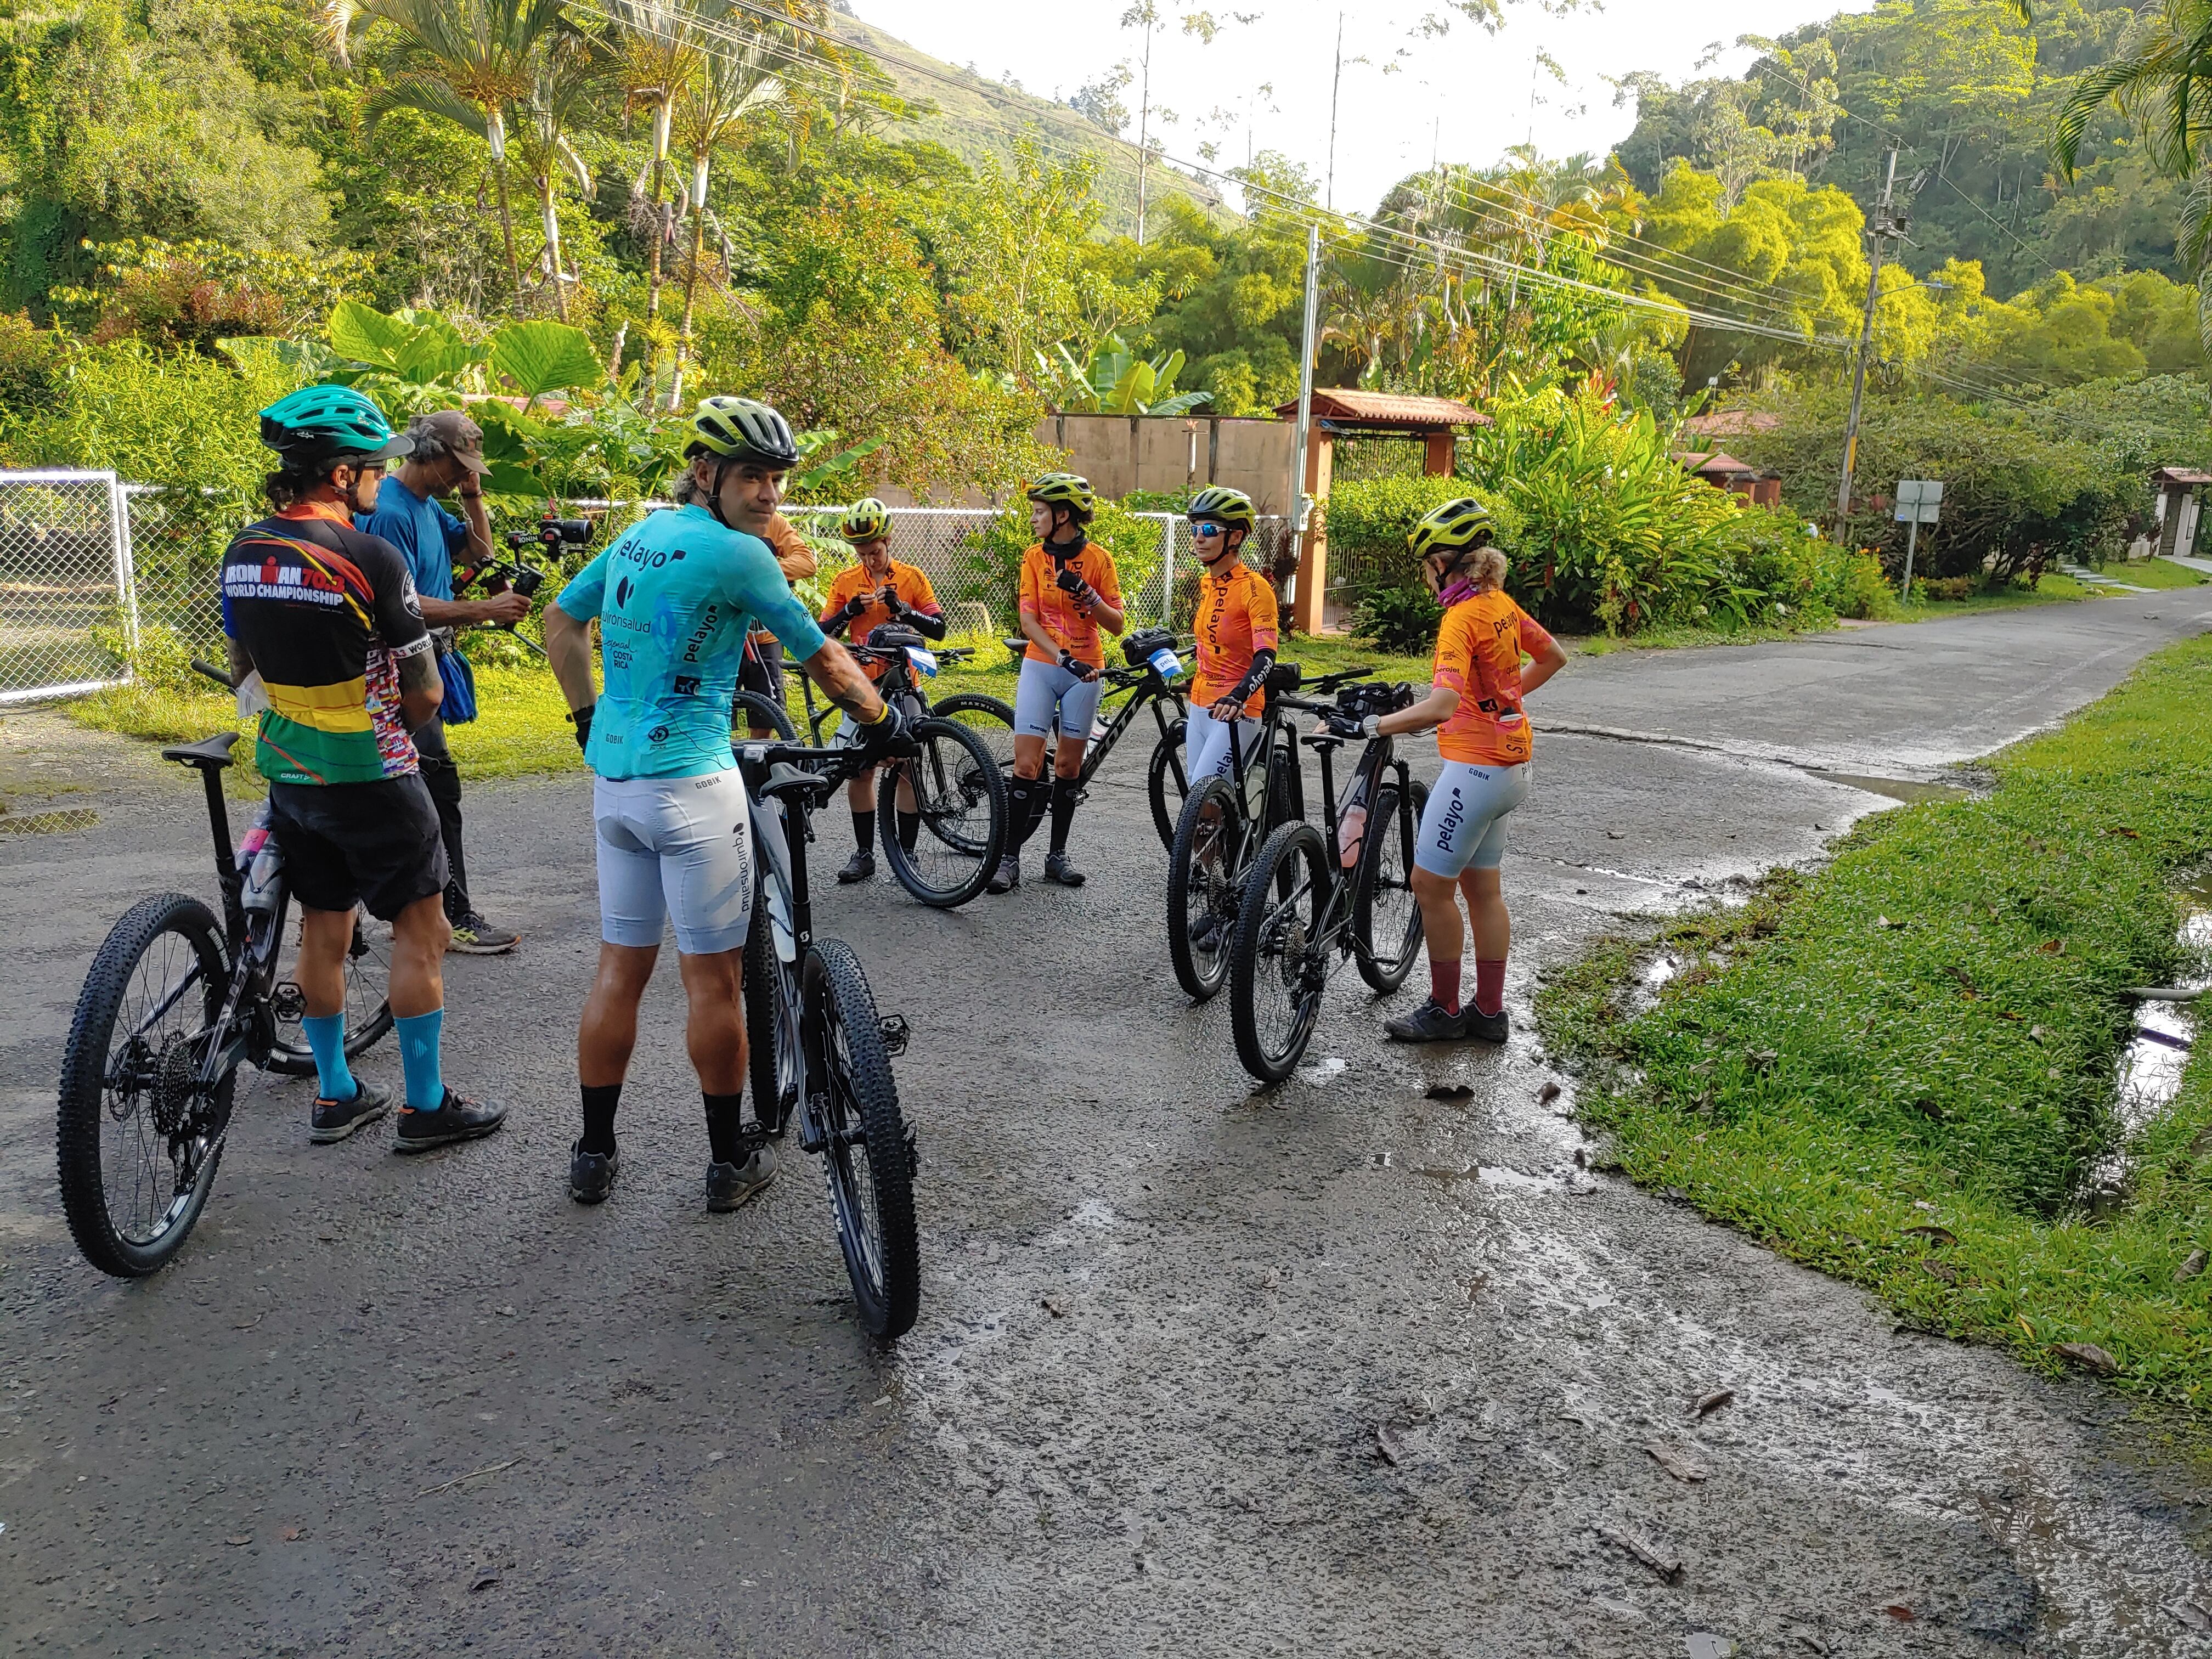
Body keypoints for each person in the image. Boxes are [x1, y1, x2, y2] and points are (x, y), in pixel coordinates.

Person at [543, 396, 907, 1211]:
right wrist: (885, 725)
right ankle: (727, 1162)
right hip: (693, 787)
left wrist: (586, 716)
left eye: (776, 479)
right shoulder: (742, 557)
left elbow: (559, 623)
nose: (769, 495)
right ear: (706, 474)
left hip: (616, 788)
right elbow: (826, 662)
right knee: (713, 985)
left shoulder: (635, 537)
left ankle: (593, 1153)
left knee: (618, 973)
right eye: (753, 477)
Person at [221, 386, 507, 1150]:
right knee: (424, 931)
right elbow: (425, 692)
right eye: (374, 465)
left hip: (290, 772)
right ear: (340, 475)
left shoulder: (244, 550)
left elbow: (243, 663)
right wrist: (389, 727)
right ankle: (425, 1106)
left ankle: (337, 1094)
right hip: (375, 774)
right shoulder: (371, 556)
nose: (385, 474)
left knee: (322, 929)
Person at [1360, 498, 1567, 1044]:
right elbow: (1552, 657)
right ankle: (1489, 1013)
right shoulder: (1497, 602)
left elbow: (1442, 705)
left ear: (1445, 563)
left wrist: (1376, 726)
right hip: (1514, 766)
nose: (1426, 575)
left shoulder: (1459, 619)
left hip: (1476, 772)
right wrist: (1503, 698)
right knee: (1482, 890)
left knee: (1429, 885)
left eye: (1427, 564)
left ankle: (1445, 1010)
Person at [354, 408, 523, 955]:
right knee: (428, 794)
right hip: (398, 668)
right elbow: (397, 608)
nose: (462, 474)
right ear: (427, 452)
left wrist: (473, 495)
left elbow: (480, 552)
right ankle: (449, 916)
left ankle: (413, 912)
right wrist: (481, 610)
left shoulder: (427, 506)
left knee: (418, 792)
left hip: (423, 661)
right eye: (459, 464)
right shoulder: (391, 514)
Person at [985, 472, 1125, 894]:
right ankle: (1009, 859)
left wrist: (1090, 597)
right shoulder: (1033, 558)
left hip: (1088, 669)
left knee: (1067, 767)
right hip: (1043, 665)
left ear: (1062, 515)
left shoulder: (1099, 560)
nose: (1034, 519)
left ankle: (1056, 856)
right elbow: (1028, 620)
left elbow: (1116, 624)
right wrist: (1061, 656)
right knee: (1027, 765)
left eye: (1040, 512)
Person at [815, 496, 946, 883]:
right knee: (861, 771)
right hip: (861, 684)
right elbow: (822, 635)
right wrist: (849, 613)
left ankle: (906, 854)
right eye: (862, 553)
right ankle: (864, 854)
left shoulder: (912, 577)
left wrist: (904, 609)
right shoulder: (844, 581)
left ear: (888, 541)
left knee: (907, 767)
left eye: (875, 551)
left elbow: (938, 628)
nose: (870, 560)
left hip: (905, 682)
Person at [1183, 487, 1279, 781]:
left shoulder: (1255, 588)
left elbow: (1266, 655)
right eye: (1196, 528)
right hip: (1200, 707)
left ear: (1235, 537)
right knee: (1196, 803)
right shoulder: (1207, 583)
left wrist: (1238, 696)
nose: (1199, 537)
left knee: (1204, 799)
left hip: (1236, 711)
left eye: (1210, 529)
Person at [737, 509, 819, 738]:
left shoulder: (772, 520)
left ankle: (757, 771)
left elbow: (807, 563)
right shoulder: (718, 520)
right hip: (725, 640)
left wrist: (765, 571)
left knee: (767, 719)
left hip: (765, 639)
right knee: (716, 718)